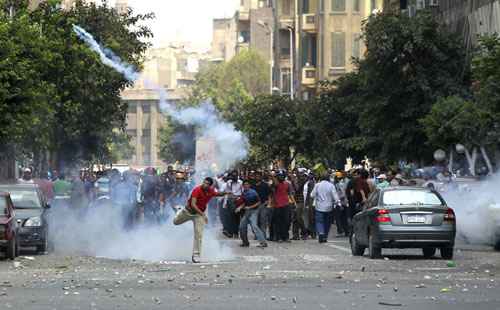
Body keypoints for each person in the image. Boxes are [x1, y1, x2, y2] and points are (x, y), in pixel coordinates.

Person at [174, 177, 227, 263]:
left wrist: (226, 193)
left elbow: (217, 194)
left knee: (198, 235)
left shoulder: (211, 191)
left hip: (198, 215)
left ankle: (196, 255)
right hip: (188, 212)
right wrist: (203, 214)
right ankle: (178, 210)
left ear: (210, 186)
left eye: (207, 184)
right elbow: (193, 204)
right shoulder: (197, 190)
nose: (204, 184)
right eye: (204, 182)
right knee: (175, 222)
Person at [236, 180, 268, 248]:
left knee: (254, 226)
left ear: (249, 185)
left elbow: (259, 202)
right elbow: (245, 202)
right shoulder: (244, 192)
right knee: (242, 226)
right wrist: (240, 207)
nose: (245, 186)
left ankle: (263, 242)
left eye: (247, 184)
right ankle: (245, 242)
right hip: (247, 212)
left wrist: (250, 207)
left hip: (254, 211)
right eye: (244, 184)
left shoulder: (253, 192)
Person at [310, 174, 340, 243]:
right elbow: (335, 196)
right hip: (329, 207)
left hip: (319, 207)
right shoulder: (331, 185)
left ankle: (321, 233)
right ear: (328, 178)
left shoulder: (317, 185)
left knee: (319, 221)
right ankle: (325, 236)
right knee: (327, 222)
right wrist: (338, 203)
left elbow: (312, 195)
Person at [270, 171, 295, 243]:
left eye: (282, 176)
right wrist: (274, 176)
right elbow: (273, 190)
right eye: (279, 176)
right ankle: (279, 237)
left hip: (286, 204)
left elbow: (290, 194)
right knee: (278, 222)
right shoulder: (275, 184)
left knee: (287, 221)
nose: (281, 177)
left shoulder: (288, 184)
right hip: (277, 205)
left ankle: (286, 237)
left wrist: (293, 202)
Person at [221, 171, 243, 238]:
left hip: (238, 200)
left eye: (235, 176)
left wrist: (238, 198)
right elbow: (227, 192)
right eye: (233, 176)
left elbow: (242, 192)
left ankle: (236, 232)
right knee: (230, 217)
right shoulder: (228, 182)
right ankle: (230, 232)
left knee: (237, 217)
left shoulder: (241, 182)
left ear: (237, 176)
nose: (234, 177)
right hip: (230, 201)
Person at [253, 172, 272, 240]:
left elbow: (269, 194)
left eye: (259, 176)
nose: (257, 177)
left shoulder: (265, 185)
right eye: (256, 176)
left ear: (261, 177)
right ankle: (257, 235)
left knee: (263, 221)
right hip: (254, 206)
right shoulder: (253, 186)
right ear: (254, 177)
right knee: (255, 222)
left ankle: (263, 235)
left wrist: (269, 203)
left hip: (263, 205)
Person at [333, 172, 349, 237]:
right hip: (345, 203)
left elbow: (342, 194)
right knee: (344, 217)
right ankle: (346, 231)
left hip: (340, 203)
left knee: (338, 218)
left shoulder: (338, 184)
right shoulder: (344, 183)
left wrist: (338, 201)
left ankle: (340, 231)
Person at [303, 173, 316, 239]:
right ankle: (310, 233)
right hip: (307, 202)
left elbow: (309, 194)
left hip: (310, 203)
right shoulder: (307, 183)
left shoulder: (311, 183)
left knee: (310, 218)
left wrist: (308, 203)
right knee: (308, 218)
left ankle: (312, 233)